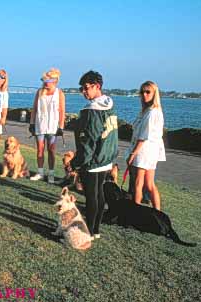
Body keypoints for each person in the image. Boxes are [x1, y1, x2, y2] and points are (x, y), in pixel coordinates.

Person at [70, 70, 118, 239]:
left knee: (92, 197)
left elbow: (88, 142)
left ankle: (88, 232)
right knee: (99, 194)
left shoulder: (91, 111)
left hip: (92, 160)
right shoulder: (110, 106)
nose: (83, 92)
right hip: (106, 158)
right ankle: (96, 230)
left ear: (97, 86)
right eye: (81, 89)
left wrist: (76, 162)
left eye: (86, 88)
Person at [126, 81, 166, 210]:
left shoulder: (152, 112)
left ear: (154, 94)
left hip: (144, 151)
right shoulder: (148, 111)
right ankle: (157, 211)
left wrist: (133, 154)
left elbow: (143, 136)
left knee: (139, 182)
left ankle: (136, 211)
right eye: (142, 92)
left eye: (148, 92)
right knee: (149, 184)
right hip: (150, 151)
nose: (144, 94)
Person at [29, 68, 66, 184]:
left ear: (54, 81)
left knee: (51, 150)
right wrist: (31, 123)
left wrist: (61, 126)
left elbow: (62, 111)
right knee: (40, 148)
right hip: (40, 124)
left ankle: (51, 173)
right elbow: (34, 109)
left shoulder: (59, 93)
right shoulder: (39, 92)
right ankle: (40, 172)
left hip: (53, 126)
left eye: (48, 80)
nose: (45, 82)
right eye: (44, 80)